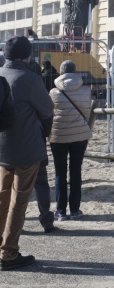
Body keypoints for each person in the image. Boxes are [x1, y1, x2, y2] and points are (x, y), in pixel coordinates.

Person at [0, 35, 54, 270]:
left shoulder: (2, 76)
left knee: (1, 199)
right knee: (18, 202)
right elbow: (47, 109)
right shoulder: (30, 79)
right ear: (26, 56)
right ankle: (9, 253)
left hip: (2, 148)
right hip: (26, 148)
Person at [49, 60, 92, 220]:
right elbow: (87, 112)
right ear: (75, 72)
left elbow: (50, 113)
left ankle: (60, 211)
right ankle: (75, 210)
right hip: (79, 134)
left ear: (60, 73)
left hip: (58, 135)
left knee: (59, 173)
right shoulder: (86, 90)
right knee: (76, 171)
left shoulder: (53, 92)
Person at [27, 59, 55, 233]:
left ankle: (12, 223)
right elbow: (47, 113)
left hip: (10, 145)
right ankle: (46, 219)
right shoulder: (36, 86)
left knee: (13, 185)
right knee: (42, 183)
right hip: (36, 142)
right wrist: (45, 133)